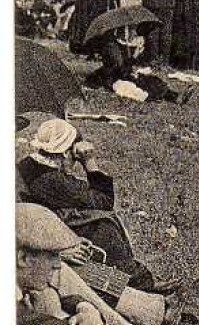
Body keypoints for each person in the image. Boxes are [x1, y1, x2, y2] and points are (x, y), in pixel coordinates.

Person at [17, 120, 182, 300]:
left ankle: (137, 282)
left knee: (100, 221)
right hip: (45, 236)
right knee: (102, 226)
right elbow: (105, 200)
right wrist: (89, 162)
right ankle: (137, 284)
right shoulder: (53, 181)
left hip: (40, 223)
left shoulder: (31, 165)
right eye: (73, 154)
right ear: (65, 152)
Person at [16, 203, 163, 325]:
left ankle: (153, 305)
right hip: (30, 239)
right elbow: (65, 192)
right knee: (65, 271)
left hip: (43, 230)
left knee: (79, 267)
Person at [85, 26, 191, 103]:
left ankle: (175, 96)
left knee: (152, 80)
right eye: (130, 31)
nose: (132, 34)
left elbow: (125, 66)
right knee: (143, 83)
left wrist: (134, 61)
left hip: (121, 73)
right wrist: (134, 57)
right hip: (113, 77)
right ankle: (173, 97)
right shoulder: (111, 48)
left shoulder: (117, 44)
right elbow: (119, 68)